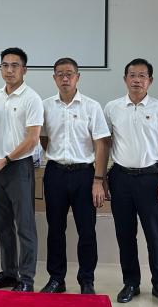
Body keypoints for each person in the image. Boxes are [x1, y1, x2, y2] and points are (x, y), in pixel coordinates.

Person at [104, 58, 158, 307]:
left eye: (142, 76)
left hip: (151, 178)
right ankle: (131, 283)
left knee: (155, 235)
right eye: (132, 75)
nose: (137, 80)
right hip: (120, 177)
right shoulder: (112, 108)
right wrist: (101, 177)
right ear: (125, 79)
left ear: (150, 80)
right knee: (125, 234)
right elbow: (104, 144)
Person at [39, 57, 110, 295]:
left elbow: (101, 144)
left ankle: (86, 280)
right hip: (55, 173)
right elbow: (43, 138)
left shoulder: (91, 106)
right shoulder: (46, 106)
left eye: (69, 73)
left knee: (87, 230)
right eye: (60, 74)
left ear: (78, 77)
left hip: (84, 175)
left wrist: (98, 180)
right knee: (55, 229)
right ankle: (56, 279)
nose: (65, 78)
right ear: (54, 78)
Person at [0, 48, 44, 293]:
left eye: (15, 65)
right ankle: (9, 273)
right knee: (1, 225)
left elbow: (33, 139)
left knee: (25, 226)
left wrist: (7, 159)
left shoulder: (32, 98)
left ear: (24, 69)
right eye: (5, 65)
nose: (9, 70)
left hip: (18, 168)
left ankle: (26, 278)